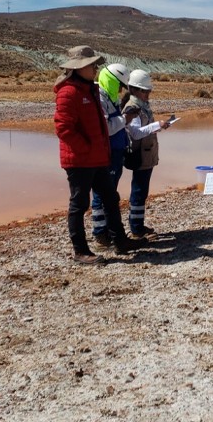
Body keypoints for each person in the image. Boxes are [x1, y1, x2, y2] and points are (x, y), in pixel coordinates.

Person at [53, 46, 143, 264]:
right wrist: (85, 148)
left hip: (97, 158)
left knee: (111, 198)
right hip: (80, 160)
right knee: (79, 204)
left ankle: (120, 240)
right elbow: (63, 128)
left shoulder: (90, 90)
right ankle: (81, 251)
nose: (96, 69)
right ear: (79, 67)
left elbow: (100, 125)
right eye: (92, 65)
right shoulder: (68, 92)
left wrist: (98, 149)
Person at [122, 69, 172, 237]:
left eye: (149, 91)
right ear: (135, 90)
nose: (148, 94)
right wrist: (157, 125)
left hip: (146, 154)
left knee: (141, 191)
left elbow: (144, 129)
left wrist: (159, 126)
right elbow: (136, 133)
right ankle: (136, 229)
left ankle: (138, 226)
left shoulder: (142, 106)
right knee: (138, 192)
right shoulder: (132, 107)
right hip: (140, 155)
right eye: (145, 91)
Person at [90, 62, 132, 246]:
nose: (121, 90)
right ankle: (100, 233)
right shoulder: (100, 98)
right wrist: (125, 119)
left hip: (115, 152)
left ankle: (108, 230)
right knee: (102, 194)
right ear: (112, 81)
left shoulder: (109, 97)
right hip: (107, 153)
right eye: (119, 85)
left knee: (109, 194)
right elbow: (105, 128)